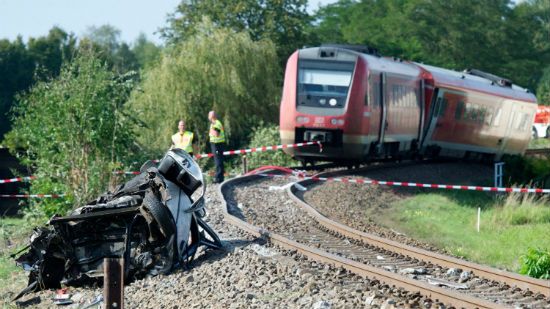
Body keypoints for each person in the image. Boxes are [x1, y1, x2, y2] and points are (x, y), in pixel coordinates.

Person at [208, 111, 225, 183]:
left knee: (218, 161)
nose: (208, 117)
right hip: (217, 144)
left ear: (212, 116)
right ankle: (220, 177)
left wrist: (211, 131)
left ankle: (218, 178)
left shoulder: (216, 123)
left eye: (209, 115)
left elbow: (216, 134)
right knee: (219, 160)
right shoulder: (214, 123)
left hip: (217, 144)